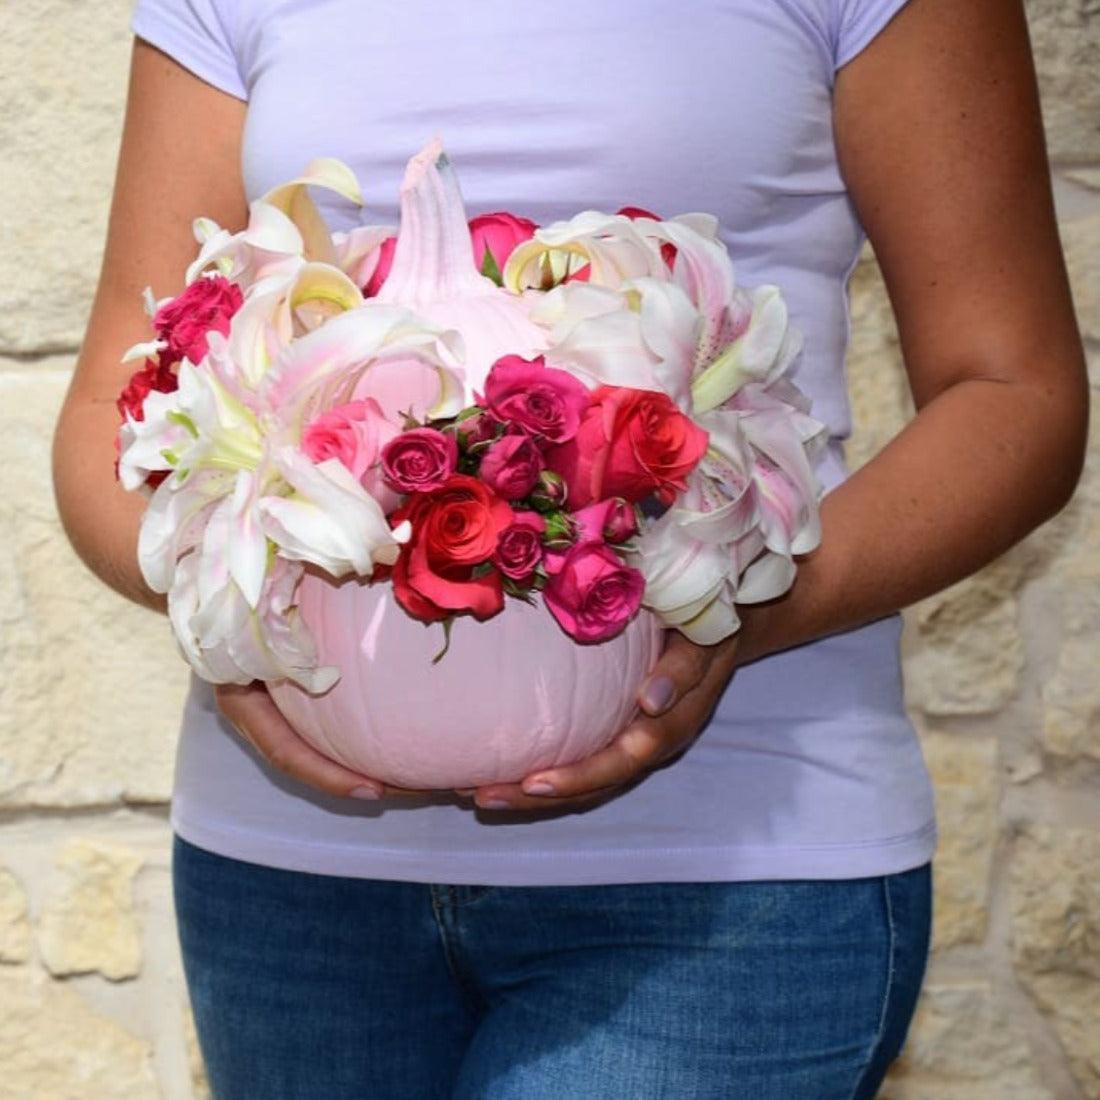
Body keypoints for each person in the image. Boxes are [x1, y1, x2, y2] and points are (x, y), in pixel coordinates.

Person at [52, 0, 1087, 1097]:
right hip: (292, 884)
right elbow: (116, 406)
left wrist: (731, 612)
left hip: (726, 879)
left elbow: (1012, 392)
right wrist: (231, 629)